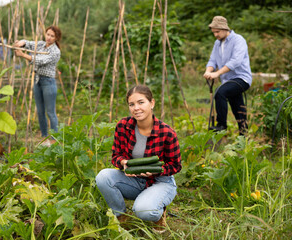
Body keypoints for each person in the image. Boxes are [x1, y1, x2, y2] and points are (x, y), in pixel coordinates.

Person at [95, 85, 182, 233]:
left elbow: (176, 165)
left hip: (160, 181)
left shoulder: (167, 132)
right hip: (133, 179)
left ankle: (158, 214)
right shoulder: (123, 126)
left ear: (152, 103)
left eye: (141, 102)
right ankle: (122, 217)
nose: (136, 108)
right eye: (132, 104)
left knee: (143, 211)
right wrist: (124, 163)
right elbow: (116, 155)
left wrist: (156, 171)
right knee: (103, 176)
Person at [203, 16, 252, 135]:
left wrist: (217, 73)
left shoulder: (239, 40)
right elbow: (212, 60)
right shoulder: (217, 43)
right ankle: (243, 134)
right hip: (228, 80)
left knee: (220, 93)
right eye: (214, 32)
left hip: (242, 78)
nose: (215, 35)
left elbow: (236, 61)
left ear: (225, 29)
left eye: (217, 32)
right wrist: (208, 71)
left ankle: (221, 125)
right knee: (237, 107)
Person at [13, 26, 62, 146]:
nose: (49, 38)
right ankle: (45, 137)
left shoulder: (55, 51)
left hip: (48, 82)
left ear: (56, 38)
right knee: (40, 111)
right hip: (38, 80)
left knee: (50, 112)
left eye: (52, 36)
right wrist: (21, 43)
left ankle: (54, 139)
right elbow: (29, 44)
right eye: (48, 34)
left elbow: (40, 60)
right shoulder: (41, 45)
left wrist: (23, 55)